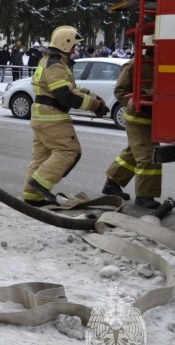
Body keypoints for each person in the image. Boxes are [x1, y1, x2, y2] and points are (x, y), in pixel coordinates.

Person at [22, 26, 107, 206]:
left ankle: (32, 196)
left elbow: (71, 88)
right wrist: (94, 105)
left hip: (42, 116)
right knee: (69, 150)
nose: (75, 50)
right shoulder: (55, 64)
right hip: (52, 116)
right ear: (65, 44)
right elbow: (65, 95)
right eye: (74, 46)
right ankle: (39, 183)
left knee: (42, 157)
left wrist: (93, 97)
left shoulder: (52, 61)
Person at [102, 36, 161, 209]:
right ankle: (144, 195)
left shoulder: (160, 64)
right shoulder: (134, 65)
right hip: (137, 118)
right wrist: (136, 104)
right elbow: (120, 91)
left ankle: (111, 184)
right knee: (148, 155)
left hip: (151, 118)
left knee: (133, 153)